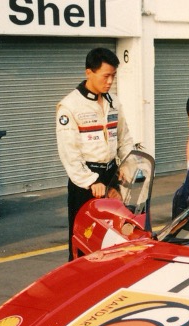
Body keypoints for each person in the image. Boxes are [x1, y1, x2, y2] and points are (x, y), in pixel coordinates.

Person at [55, 47, 134, 259]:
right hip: (86, 182)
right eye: (106, 76)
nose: (110, 82)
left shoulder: (113, 102)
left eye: (113, 76)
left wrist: (127, 166)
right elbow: (69, 153)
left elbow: (124, 138)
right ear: (89, 72)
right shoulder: (70, 106)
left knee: (114, 237)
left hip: (111, 177)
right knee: (83, 241)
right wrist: (90, 181)